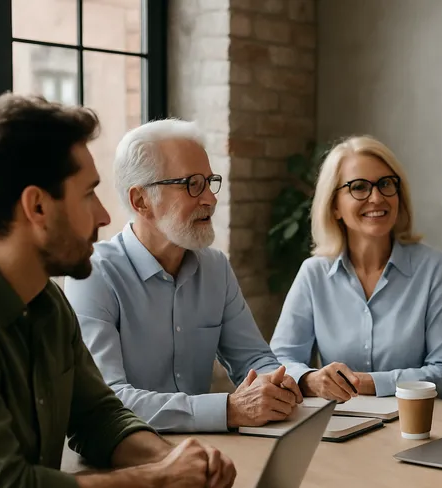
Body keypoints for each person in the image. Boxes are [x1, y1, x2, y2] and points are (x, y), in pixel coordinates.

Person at [0, 93, 236, 488]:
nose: (105, 216)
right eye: (88, 194)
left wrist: (176, 461)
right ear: (37, 206)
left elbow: (99, 417)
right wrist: (154, 482)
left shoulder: (47, 301)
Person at [64, 119, 302, 434]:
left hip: (209, 450)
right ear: (141, 201)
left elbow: (255, 359)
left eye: (209, 181)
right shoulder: (93, 275)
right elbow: (108, 399)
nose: (211, 199)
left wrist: (276, 382)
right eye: (192, 184)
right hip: (127, 460)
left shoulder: (216, 268)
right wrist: (228, 409)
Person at [269, 135, 442, 404]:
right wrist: (310, 379)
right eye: (358, 187)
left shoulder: (433, 268)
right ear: (335, 206)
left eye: (385, 184)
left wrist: (368, 383)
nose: (376, 198)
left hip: (416, 426)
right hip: (337, 426)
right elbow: (279, 361)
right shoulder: (313, 274)